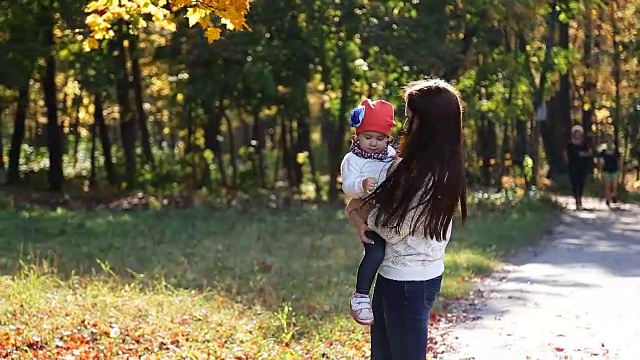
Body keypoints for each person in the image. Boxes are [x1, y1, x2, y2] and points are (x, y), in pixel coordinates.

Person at [345, 78, 467, 360]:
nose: (405, 125)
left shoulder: (426, 173)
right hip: (397, 275)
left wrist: (359, 211)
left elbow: (396, 227)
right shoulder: (431, 165)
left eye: (411, 118)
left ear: (427, 124)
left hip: (407, 283)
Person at [340, 99, 396, 325]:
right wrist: (361, 185)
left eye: (380, 138)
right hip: (369, 215)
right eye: (368, 137)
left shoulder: (391, 154)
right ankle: (361, 295)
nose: (373, 143)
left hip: (391, 214)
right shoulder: (352, 159)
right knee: (375, 252)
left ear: (388, 139)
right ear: (357, 136)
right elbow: (347, 185)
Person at [565, 125, 592, 210]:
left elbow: (589, 152)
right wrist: (567, 161)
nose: (578, 135)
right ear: (574, 134)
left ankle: (579, 199)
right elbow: (565, 153)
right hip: (572, 165)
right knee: (574, 182)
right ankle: (575, 196)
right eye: (577, 133)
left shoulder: (584, 144)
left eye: (580, 133)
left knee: (581, 182)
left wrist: (584, 154)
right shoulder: (570, 144)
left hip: (582, 165)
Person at [597, 139, 621, 207]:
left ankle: (613, 196)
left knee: (614, 186)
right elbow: (599, 160)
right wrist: (600, 166)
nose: (609, 144)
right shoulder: (603, 152)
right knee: (608, 186)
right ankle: (608, 200)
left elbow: (619, 161)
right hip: (606, 170)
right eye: (608, 143)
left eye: (611, 142)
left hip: (614, 170)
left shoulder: (616, 152)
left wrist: (620, 169)